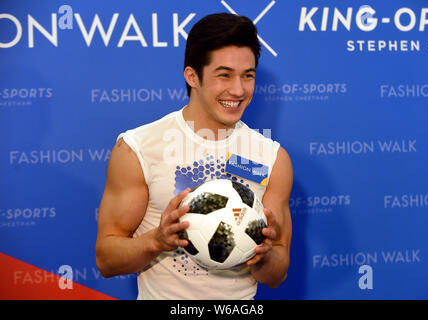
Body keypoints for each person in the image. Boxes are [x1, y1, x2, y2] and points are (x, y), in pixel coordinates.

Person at [95, 12, 293, 300]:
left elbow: (277, 274)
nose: (238, 90)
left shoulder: (273, 158)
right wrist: (156, 240)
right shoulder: (137, 148)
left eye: (247, 76)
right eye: (224, 75)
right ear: (192, 76)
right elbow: (106, 259)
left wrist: (264, 254)